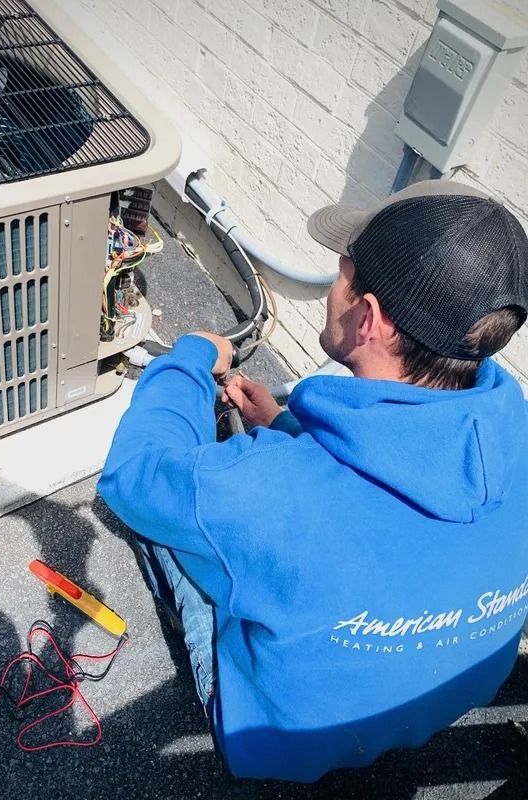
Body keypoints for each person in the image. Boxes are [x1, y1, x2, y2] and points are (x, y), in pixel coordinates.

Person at [98, 180, 528, 782]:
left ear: (369, 317)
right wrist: (284, 424)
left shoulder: (270, 491)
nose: (333, 288)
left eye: (341, 274)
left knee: (162, 516)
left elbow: (132, 472)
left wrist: (189, 360)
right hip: (446, 691)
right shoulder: (518, 429)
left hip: (281, 735)